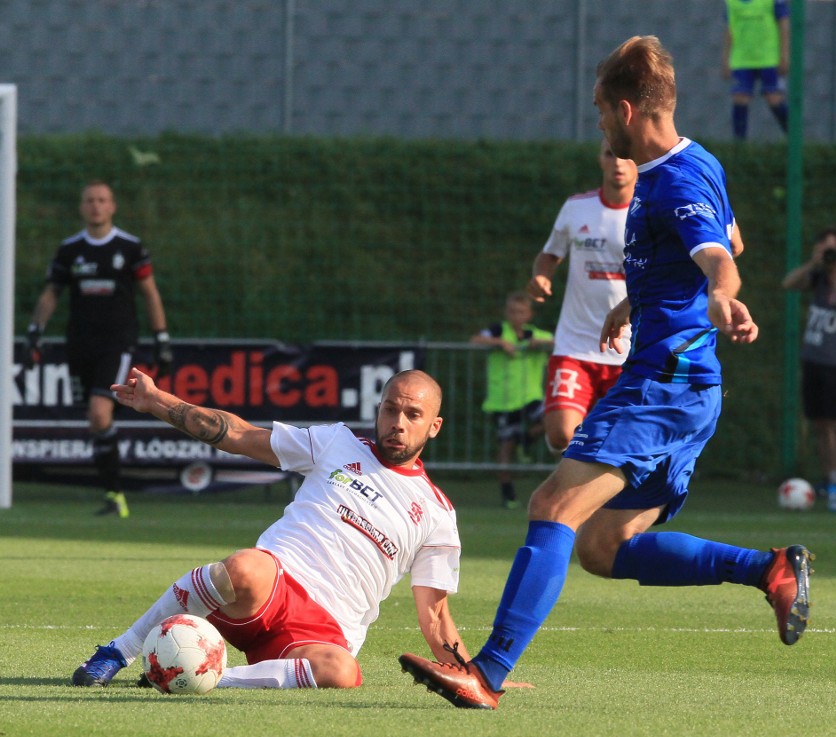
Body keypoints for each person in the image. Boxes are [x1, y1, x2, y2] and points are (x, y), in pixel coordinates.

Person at [399, 35, 813, 710]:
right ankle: (768, 568)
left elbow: (719, 257)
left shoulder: (673, 181)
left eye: (599, 112)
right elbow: (729, 238)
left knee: (551, 505)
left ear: (626, 109)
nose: (597, 125)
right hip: (688, 386)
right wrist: (637, 298)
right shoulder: (696, 161)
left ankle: (488, 670)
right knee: (603, 544)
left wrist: (718, 294)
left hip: (663, 381)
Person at [71, 368, 472, 690]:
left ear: (434, 426)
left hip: (325, 632)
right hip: (269, 588)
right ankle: (116, 652)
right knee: (245, 566)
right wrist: (158, 401)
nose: (397, 423)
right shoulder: (336, 443)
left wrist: (476, 677)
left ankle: (194, 675)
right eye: (390, 410)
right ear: (379, 410)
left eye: (413, 415)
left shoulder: (437, 514)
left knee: (343, 672)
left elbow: (435, 617)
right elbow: (241, 436)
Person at [24, 181, 173, 518]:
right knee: (96, 422)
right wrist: (35, 332)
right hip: (79, 344)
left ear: (113, 206)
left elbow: (150, 293)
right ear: (81, 207)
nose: (96, 206)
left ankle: (117, 495)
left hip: (117, 344)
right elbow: (52, 293)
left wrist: (161, 338)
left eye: (102, 200)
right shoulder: (70, 250)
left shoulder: (130, 247)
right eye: (89, 200)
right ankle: (114, 494)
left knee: (98, 413)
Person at [528, 138, 637, 454]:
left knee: (620, 443)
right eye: (609, 154)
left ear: (637, 161)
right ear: (600, 160)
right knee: (563, 434)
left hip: (627, 350)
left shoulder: (648, 214)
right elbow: (549, 254)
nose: (617, 162)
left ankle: (599, 498)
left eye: (624, 156)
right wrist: (541, 276)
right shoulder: (577, 208)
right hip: (575, 346)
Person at [781, 227, 836, 512]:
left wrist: (834, 273)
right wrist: (815, 263)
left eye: (831, 249)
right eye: (822, 248)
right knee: (820, 423)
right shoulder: (817, 274)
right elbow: (788, 283)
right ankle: (829, 476)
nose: (828, 254)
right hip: (813, 358)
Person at [470, 291, 553, 508]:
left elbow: (559, 342)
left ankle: (525, 439)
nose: (517, 316)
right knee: (505, 448)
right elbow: (476, 340)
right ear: (507, 313)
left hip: (531, 397)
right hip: (503, 401)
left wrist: (541, 344)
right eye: (513, 312)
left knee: (553, 419)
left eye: (521, 312)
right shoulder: (499, 331)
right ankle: (508, 494)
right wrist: (499, 343)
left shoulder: (536, 335)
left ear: (529, 314)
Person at [722, 0, 790, 140]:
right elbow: (729, 29)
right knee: (740, 99)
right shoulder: (731, 2)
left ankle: (794, 140)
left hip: (769, 58)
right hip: (742, 59)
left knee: (774, 98)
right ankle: (739, 147)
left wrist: (784, 55)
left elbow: (784, 24)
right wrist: (726, 59)